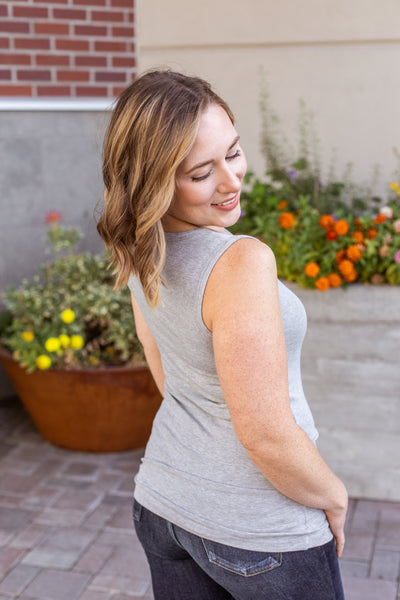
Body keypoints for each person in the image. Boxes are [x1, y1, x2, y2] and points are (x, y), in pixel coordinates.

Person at [97, 69, 348, 600]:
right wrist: (333, 494)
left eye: (232, 153)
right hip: (260, 528)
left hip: (164, 504)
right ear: (157, 182)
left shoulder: (144, 245)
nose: (232, 182)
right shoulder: (240, 261)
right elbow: (264, 432)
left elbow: (160, 359)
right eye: (201, 172)